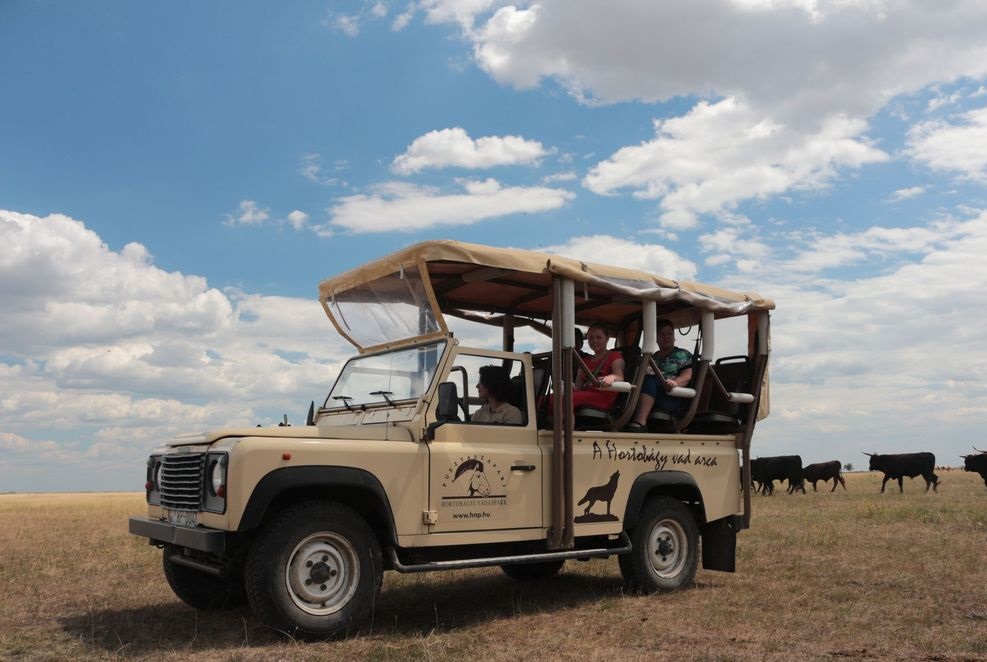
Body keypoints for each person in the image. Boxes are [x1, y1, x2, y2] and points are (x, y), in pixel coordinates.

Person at [624, 318, 692, 431]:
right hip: (649, 393)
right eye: (662, 334)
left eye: (669, 334)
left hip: (671, 395)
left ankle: (640, 423)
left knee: (649, 379)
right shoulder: (651, 357)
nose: (666, 337)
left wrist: (675, 383)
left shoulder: (682, 354)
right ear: (656, 338)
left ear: (674, 337)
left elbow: (687, 376)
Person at [570, 324, 626, 411]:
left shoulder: (614, 356)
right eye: (591, 338)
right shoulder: (584, 361)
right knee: (549, 398)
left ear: (607, 338)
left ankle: (565, 419)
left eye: (598, 337)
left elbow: (619, 376)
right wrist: (572, 387)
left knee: (567, 400)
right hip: (584, 395)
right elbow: (578, 386)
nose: (594, 341)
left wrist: (611, 377)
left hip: (603, 397)